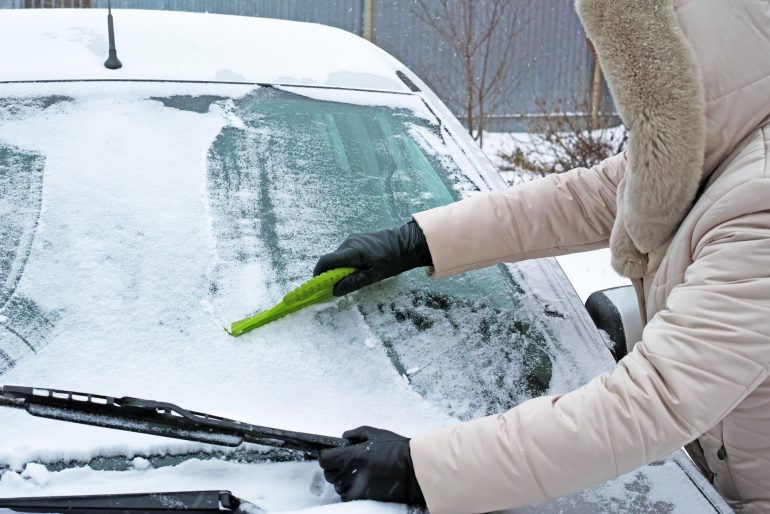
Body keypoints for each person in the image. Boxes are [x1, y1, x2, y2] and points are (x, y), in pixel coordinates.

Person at [315, 0, 770, 512]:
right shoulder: (718, 151)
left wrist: (423, 469)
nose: (599, 62)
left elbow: (655, 402)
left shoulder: (760, 207)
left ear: (672, 68)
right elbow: (585, 198)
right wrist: (418, 241)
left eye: (616, 58)